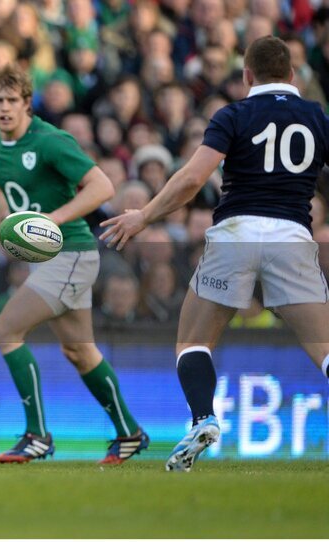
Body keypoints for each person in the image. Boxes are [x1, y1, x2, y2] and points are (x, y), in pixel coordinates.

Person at [101, 36, 329, 472]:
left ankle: (203, 418)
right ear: (293, 75)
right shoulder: (317, 116)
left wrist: (144, 215)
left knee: (192, 341)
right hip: (292, 236)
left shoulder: (234, 113)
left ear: (247, 75)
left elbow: (192, 179)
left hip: (236, 232)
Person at [0, 64, 148, 465]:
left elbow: (103, 186)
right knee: (79, 351)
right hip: (47, 259)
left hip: (71, 252)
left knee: (6, 330)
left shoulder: (51, 141)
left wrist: (55, 218)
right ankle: (130, 433)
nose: (3, 108)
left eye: (11, 100)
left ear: (27, 103)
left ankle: (37, 436)